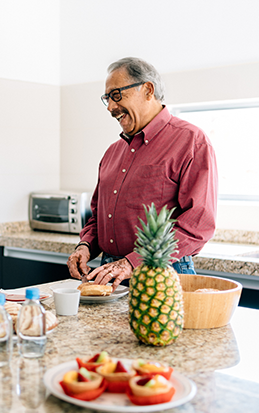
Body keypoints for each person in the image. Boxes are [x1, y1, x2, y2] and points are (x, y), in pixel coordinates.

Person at [67, 57, 218, 289]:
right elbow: (98, 217)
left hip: (162, 272)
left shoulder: (191, 141)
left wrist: (131, 262)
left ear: (148, 90)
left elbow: (197, 224)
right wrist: (85, 246)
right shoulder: (112, 152)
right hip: (108, 272)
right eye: (107, 98)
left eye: (116, 95)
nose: (110, 107)